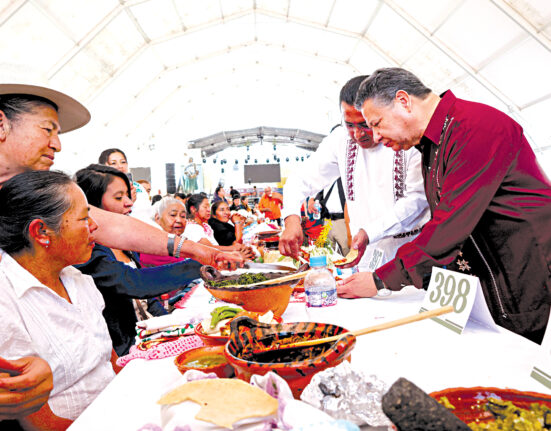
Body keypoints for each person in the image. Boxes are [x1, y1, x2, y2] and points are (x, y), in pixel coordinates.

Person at [351, 67, 551, 343]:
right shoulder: (432, 145)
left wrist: (379, 280)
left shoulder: (476, 128)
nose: (374, 137)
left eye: (376, 123)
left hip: (529, 278)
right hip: (492, 279)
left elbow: (448, 227)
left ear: (403, 101)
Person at [0, 86, 241, 273]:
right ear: (2, 124)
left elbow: (115, 226)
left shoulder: (39, 194)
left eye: (58, 133)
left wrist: (198, 250)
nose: (57, 145)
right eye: (47, 130)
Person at [0, 170, 116, 428]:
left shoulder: (77, 279)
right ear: (41, 232)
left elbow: (109, 362)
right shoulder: (6, 301)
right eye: (84, 217)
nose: (94, 226)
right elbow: (39, 423)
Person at [280, 75, 429, 275]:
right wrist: (291, 218)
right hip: (365, 257)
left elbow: (417, 201)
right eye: (350, 125)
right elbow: (301, 179)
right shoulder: (339, 140)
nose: (358, 134)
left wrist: (371, 232)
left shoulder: (406, 137)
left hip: (411, 254)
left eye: (365, 124)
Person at [74, 165, 202, 355]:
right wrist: (200, 264)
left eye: (128, 196)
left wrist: (172, 328)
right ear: (92, 205)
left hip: (146, 337)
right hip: (125, 349)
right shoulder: (88, 251)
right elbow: (135, 283)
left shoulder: (124, 245)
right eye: (118, 198)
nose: (128, 203)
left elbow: (148, 301)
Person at [185, 194, 254, 259]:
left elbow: (216, 247)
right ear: (193, 209)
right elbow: (209, 249)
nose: (209, 210)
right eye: (205, 207)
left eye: (209, 206)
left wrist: (237, 247)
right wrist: (234, 248)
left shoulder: (206, 226)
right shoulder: (192, 227)